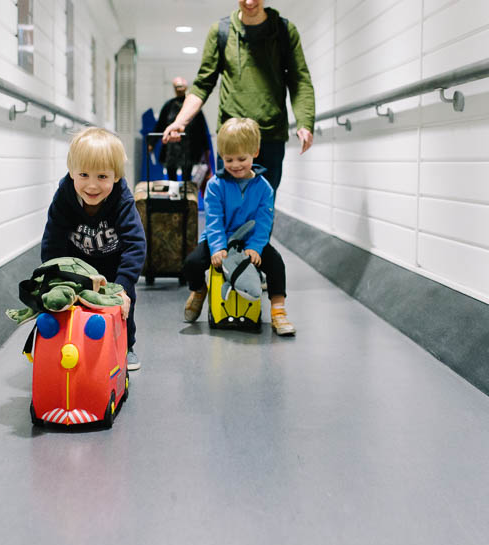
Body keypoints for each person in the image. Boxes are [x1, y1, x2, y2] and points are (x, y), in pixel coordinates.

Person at [161, 0, 315, 198]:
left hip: (270, 135)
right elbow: (202, 83)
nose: (249, 2)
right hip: (231, 136)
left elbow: (299, 80)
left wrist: (305, 121)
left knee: (262, 207)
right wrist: (179, 122)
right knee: (227, 206)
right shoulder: (221, 31)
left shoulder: (284, 31)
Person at [41, 127, 147, 370]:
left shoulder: (122, 201)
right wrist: (56, 277)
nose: (92, 185)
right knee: (72, 306)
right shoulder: (64, 198)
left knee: (123, 308)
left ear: (116, 176)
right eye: (84, 175)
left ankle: (126, 344)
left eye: (102, 177)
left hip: (113, 265)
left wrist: (123, 286)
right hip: (76, 264)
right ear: (72, 172)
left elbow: (135, 245)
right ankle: (68, 342)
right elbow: (52, 242)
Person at [182, 118, 295, 336]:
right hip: (220, 237)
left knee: (276, 264)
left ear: (255, 152)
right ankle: (198, 291)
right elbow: (214, 219)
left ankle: (278, 311)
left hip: (250, 241)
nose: (235, 165)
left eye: (242, 158)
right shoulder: (215, 185)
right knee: (192, 263)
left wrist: (256, 247)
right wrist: (217, 248)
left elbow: (264, 222)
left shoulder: (264, 188)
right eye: (228, 159)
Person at [152, 77, 210, 182]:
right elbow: (160, 125)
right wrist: (151, 143)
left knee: (187, 177)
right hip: (171, 148)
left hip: (189, 147)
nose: (179, 89)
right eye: (177, 86)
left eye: (181, 86)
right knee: (171, 176)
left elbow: (202, 130)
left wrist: (206, 149)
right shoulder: (168, 106)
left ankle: (186, 195)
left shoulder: (193, 108)